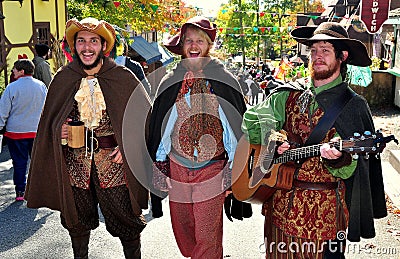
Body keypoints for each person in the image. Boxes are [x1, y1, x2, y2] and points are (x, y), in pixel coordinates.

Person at [239, 22, 387, 258]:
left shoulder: (354, 106)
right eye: (314, 50)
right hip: (280, 210)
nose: (317, 56)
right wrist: (271, 137)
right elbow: (251, 121)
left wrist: (339, 159)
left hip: (326, 217)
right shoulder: (288, 95)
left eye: (325, 50)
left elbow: (356, 169)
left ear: (342, 56)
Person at [25, 17, 151, 258]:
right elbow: (49, 122)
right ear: (74, 46)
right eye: (81, 41)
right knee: (77, 223)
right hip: (76, 165)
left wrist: (129, 147)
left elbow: (145, 118)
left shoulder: (122, 77)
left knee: (127, 223)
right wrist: (58, 131)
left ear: (103, 46)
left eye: (94, 41)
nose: (87, 47)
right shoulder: (64, 77)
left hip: (113, 166)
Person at [147, 16, 252, 259]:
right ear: (182, 46)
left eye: (200, 41)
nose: (194, 46)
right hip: (177, 168)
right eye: (189, 41)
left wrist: (234, 172)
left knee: (207, 237)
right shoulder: (170, 81)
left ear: (208, 46)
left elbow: (235, 129)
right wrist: (160, 166)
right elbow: (161, 128)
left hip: (212, 169)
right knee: (184, 233)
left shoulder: (225, 80)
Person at [0, 59, 47, 201]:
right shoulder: (41, 86)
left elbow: (3, 111)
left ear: (21, 71)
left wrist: (1, 126)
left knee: (19, 163)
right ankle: (40, 190)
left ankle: (20, 191)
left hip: (16, 132)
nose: (13, 71)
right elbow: (47, 107)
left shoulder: (12, 88)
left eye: (15, 69)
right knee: (37, 162)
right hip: (36, 131)